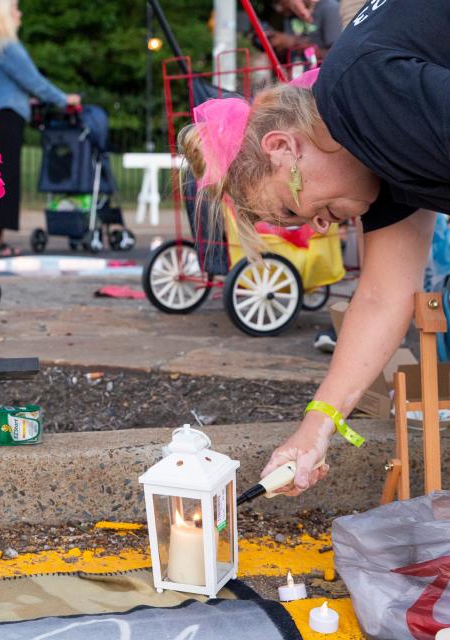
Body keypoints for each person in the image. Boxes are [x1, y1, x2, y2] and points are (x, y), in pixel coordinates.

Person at [177, 0, 450, 496]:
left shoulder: (365, 94)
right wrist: (313, 432)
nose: (321, 225)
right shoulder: (367, 155)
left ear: (283, 147)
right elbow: (381, 298)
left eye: (295, 209)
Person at [0, 0, 79, 258]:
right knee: (1, 178)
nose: (19, 14)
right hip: (3, 119)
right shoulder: (7, 46)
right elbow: (34, 81)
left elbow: (0, 86)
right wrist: (65, 99)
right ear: (3, 15)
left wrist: (21, 100)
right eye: (14, 9)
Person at [266, 0, 341, 61]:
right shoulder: (289, 16)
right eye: (274, 3)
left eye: (278, 2)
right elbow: (289, 56)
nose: (278, 8)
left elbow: (338, 55)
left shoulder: (329, 8)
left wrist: (295, 43)